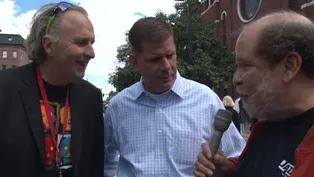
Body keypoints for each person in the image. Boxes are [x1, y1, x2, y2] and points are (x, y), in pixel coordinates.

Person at [104, 17, 246, 177]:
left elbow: (239, 158)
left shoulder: (206, 100)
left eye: (170, 55)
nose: (166, 66)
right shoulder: (118, 108)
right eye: (155, 59)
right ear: (135, 62)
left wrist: (223, 166)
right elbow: (105, 161)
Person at [194, 10, 314, 177]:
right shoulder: (268, 123)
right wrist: (228, 171)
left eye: (245, 65)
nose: (236, 79)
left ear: (290, 66)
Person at [0, 2, 104, 177]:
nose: (91, 53)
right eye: (81, 42)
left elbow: (94, 165)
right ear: (48, 45)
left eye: (91, 43)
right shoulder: (5, 88)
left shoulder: (91, 97)